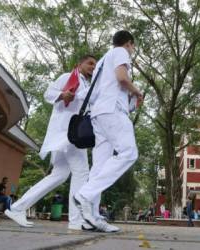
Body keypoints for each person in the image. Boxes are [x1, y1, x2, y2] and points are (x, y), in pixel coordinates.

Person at [5, 55, 96, 230]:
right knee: (82, 172)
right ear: (80, 64)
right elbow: (48, 93)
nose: (93, 67)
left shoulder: (87, 84)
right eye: (90, 63)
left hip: (67, 136)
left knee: (59, 175)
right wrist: (63, 94)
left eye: (95, 65)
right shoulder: (67, 77)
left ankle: (17, 207)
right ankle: (76, 221)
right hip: (68, 134)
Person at [73, 30, 142, 233]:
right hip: (112, 112)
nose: (132, 50)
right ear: (128, 43)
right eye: (133, 47)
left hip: (99, 115)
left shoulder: (102, 62)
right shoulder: (120, 52)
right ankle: (85, 194)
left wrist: (131, 101)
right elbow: (122, 78)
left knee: (100, 165)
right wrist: (137, 91)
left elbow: (96, 94)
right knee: (129, 153)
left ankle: (90, 217)